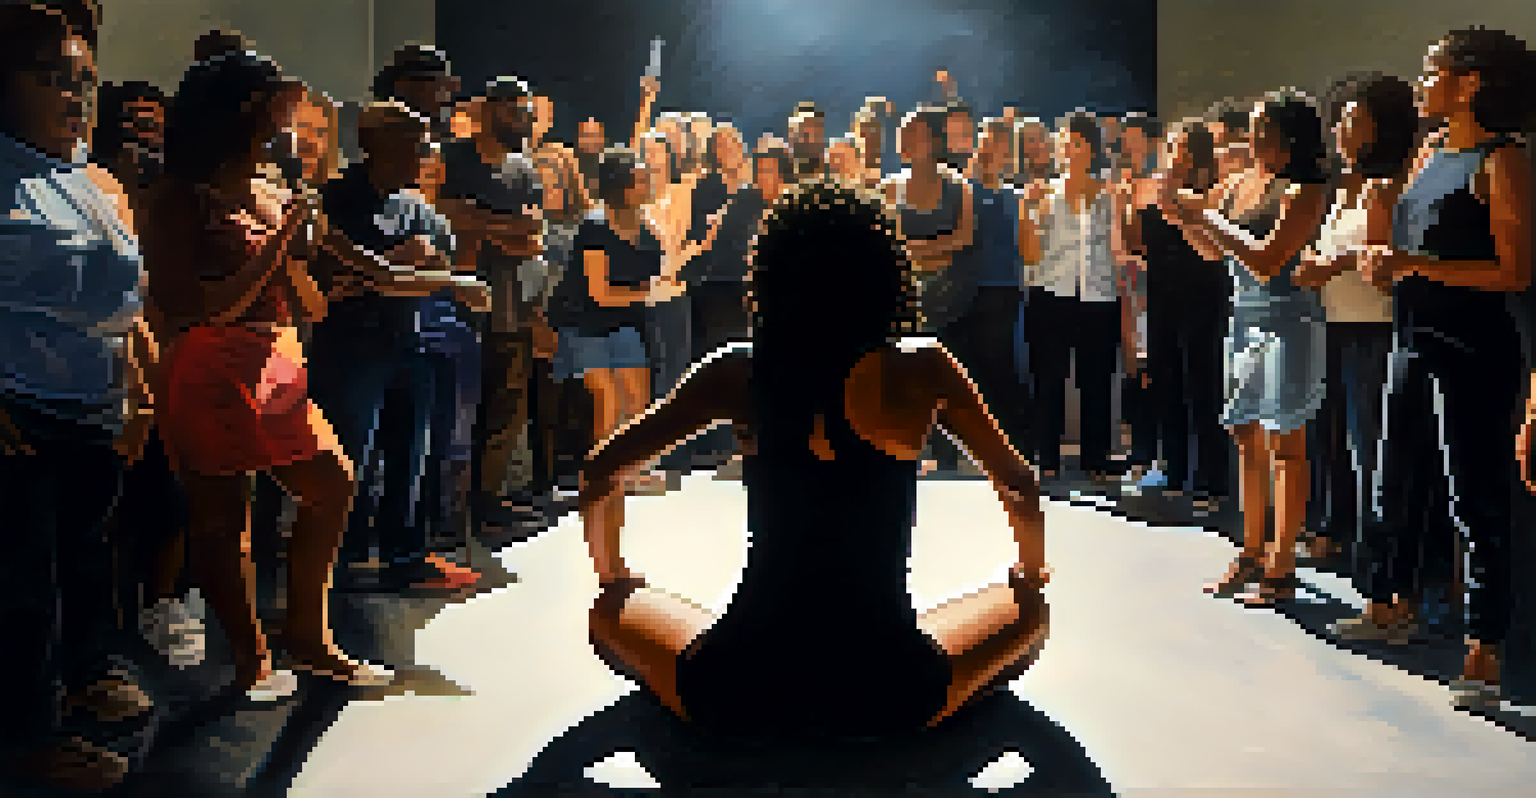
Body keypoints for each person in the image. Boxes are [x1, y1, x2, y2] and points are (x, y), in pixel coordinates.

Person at [568, 179, 1049, 764]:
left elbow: (601, 472)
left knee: (610, 611)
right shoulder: (923, 368)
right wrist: (1030, 569)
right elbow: (1018, 485)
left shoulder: (737, 373)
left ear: (770, 274)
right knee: (1029, 612)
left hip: (736, 689)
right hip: (894, 691)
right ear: (886, 273)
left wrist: (613, 573)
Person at [143, 47, 398, 701]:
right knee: (224, 522)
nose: (296, 120)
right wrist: (285, 240)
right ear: (248, 112)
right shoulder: (177, 197)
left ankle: (310, 643)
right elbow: (196, 307)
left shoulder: (269, 185)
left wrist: (413, 276)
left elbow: (320, 271)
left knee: (332, 484)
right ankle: (253, 659)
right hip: (210, 361)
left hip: (275, 358)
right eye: (285, 106)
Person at [1352, 29, 1534, 708]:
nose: (1422, 81)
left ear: (1473, 82)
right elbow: (1407, 241)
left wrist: (1414, 266)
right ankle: (1387, 605)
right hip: (1412, 334)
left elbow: (1514, 271)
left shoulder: (1503, 160)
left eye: (1434, 71)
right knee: (1393, 476)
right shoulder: (1429, 153)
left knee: (1472, 495)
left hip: (1473, 347)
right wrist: (1382, 258)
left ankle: (1486, 649)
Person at [0, 6, 148, 791]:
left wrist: (141, 383)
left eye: (84, 81)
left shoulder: (91, 175)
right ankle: (31, 738)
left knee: (83, 560)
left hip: (95, 403)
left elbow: (129, 293)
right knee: (24, 583)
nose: (73, 96)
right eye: (52, 78)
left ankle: (85, 677)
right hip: (21, 409)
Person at [1158, 90, 1332, 606]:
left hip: (1290, 319)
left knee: (1286, 444)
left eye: (1264, 130)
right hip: (1244, 318)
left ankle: (1281, 565)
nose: (1252, 138)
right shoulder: (1238, 183)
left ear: (1290, 136)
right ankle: (1251, 550)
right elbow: (1214, 251)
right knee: (1244, 434)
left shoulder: (1305, 190)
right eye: (1252, 128)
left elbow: (1269, 259)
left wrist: (1201, 214)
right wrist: (1184, 217)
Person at [308, 100, 489, 593]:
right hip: (350, 350)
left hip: (410, 342)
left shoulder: (414, 206)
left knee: (411, 454)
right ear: (379, 145)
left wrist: (404, 270)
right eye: (417, 143)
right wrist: (409, 268)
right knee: (349, 461)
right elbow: (336, 280)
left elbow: (427, 262)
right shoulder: (335, 199)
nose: (427, 153)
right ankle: (335, 568)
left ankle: (404, 557)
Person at [1292, 73, 1416, 572]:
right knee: (1336, 445)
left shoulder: (1387, 185)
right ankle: (1341, 536)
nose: (1341, 127)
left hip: (1375, 327)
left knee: (1371, 452)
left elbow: (1382, 262)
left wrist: (1330, 265)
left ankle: (1380, 573)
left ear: (1379, 127)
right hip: (1335, 324)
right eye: (1341, 118)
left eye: (1354, 118)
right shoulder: (1343, 186)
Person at [545, 146, 711, 495]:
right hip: (583, 322)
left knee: (638, 396)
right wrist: (651, 293)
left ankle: (631, 470)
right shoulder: (595, 227)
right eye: (639, 178)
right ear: (620, 185)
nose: (647, 182)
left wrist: (694, 253)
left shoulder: (648, 231)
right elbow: (599, 293)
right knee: (607, 399)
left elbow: (653, 278)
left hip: (623, 321)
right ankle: (603, 476)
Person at [434, 77, 548, 520]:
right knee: (459, 405)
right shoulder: (455, 157)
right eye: (514, 110)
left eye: (525, 110)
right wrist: (504, 227)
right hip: (461, 297)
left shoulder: (524, 167)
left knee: (506, 405)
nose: (522, 118)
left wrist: (482, 225)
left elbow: (532, 231)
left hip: (512, 300)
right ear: (489, 110)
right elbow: (446, 215)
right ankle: (447, 512)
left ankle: (486, 502)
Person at [1118, 119, 1232, 513]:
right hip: (1162, 293)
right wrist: (1130, 205)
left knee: (1203, 385)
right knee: (1166, 382)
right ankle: (1175, 469)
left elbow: (1212, 241)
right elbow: (1135, 245)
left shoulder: (1212, 188)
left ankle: (1211, 479)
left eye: (1182, 146)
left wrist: (1174, 204)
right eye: (1172, 144)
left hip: (1203, 292)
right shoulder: (1152, 185)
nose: (1174, 152)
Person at [1024, 111, 1131, 482]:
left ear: (1090, 147)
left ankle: (1097, 459)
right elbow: (1030, 253)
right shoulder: (1044, 191)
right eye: (1063, 142)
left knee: (1097, 378)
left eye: (1074, 142)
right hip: (1050, 292)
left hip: (1099, 294)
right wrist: (1028, 210)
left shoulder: (1110, 192)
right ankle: (1047, 457)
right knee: (1049, 378)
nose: (1066, 148)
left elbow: (1121, 248)